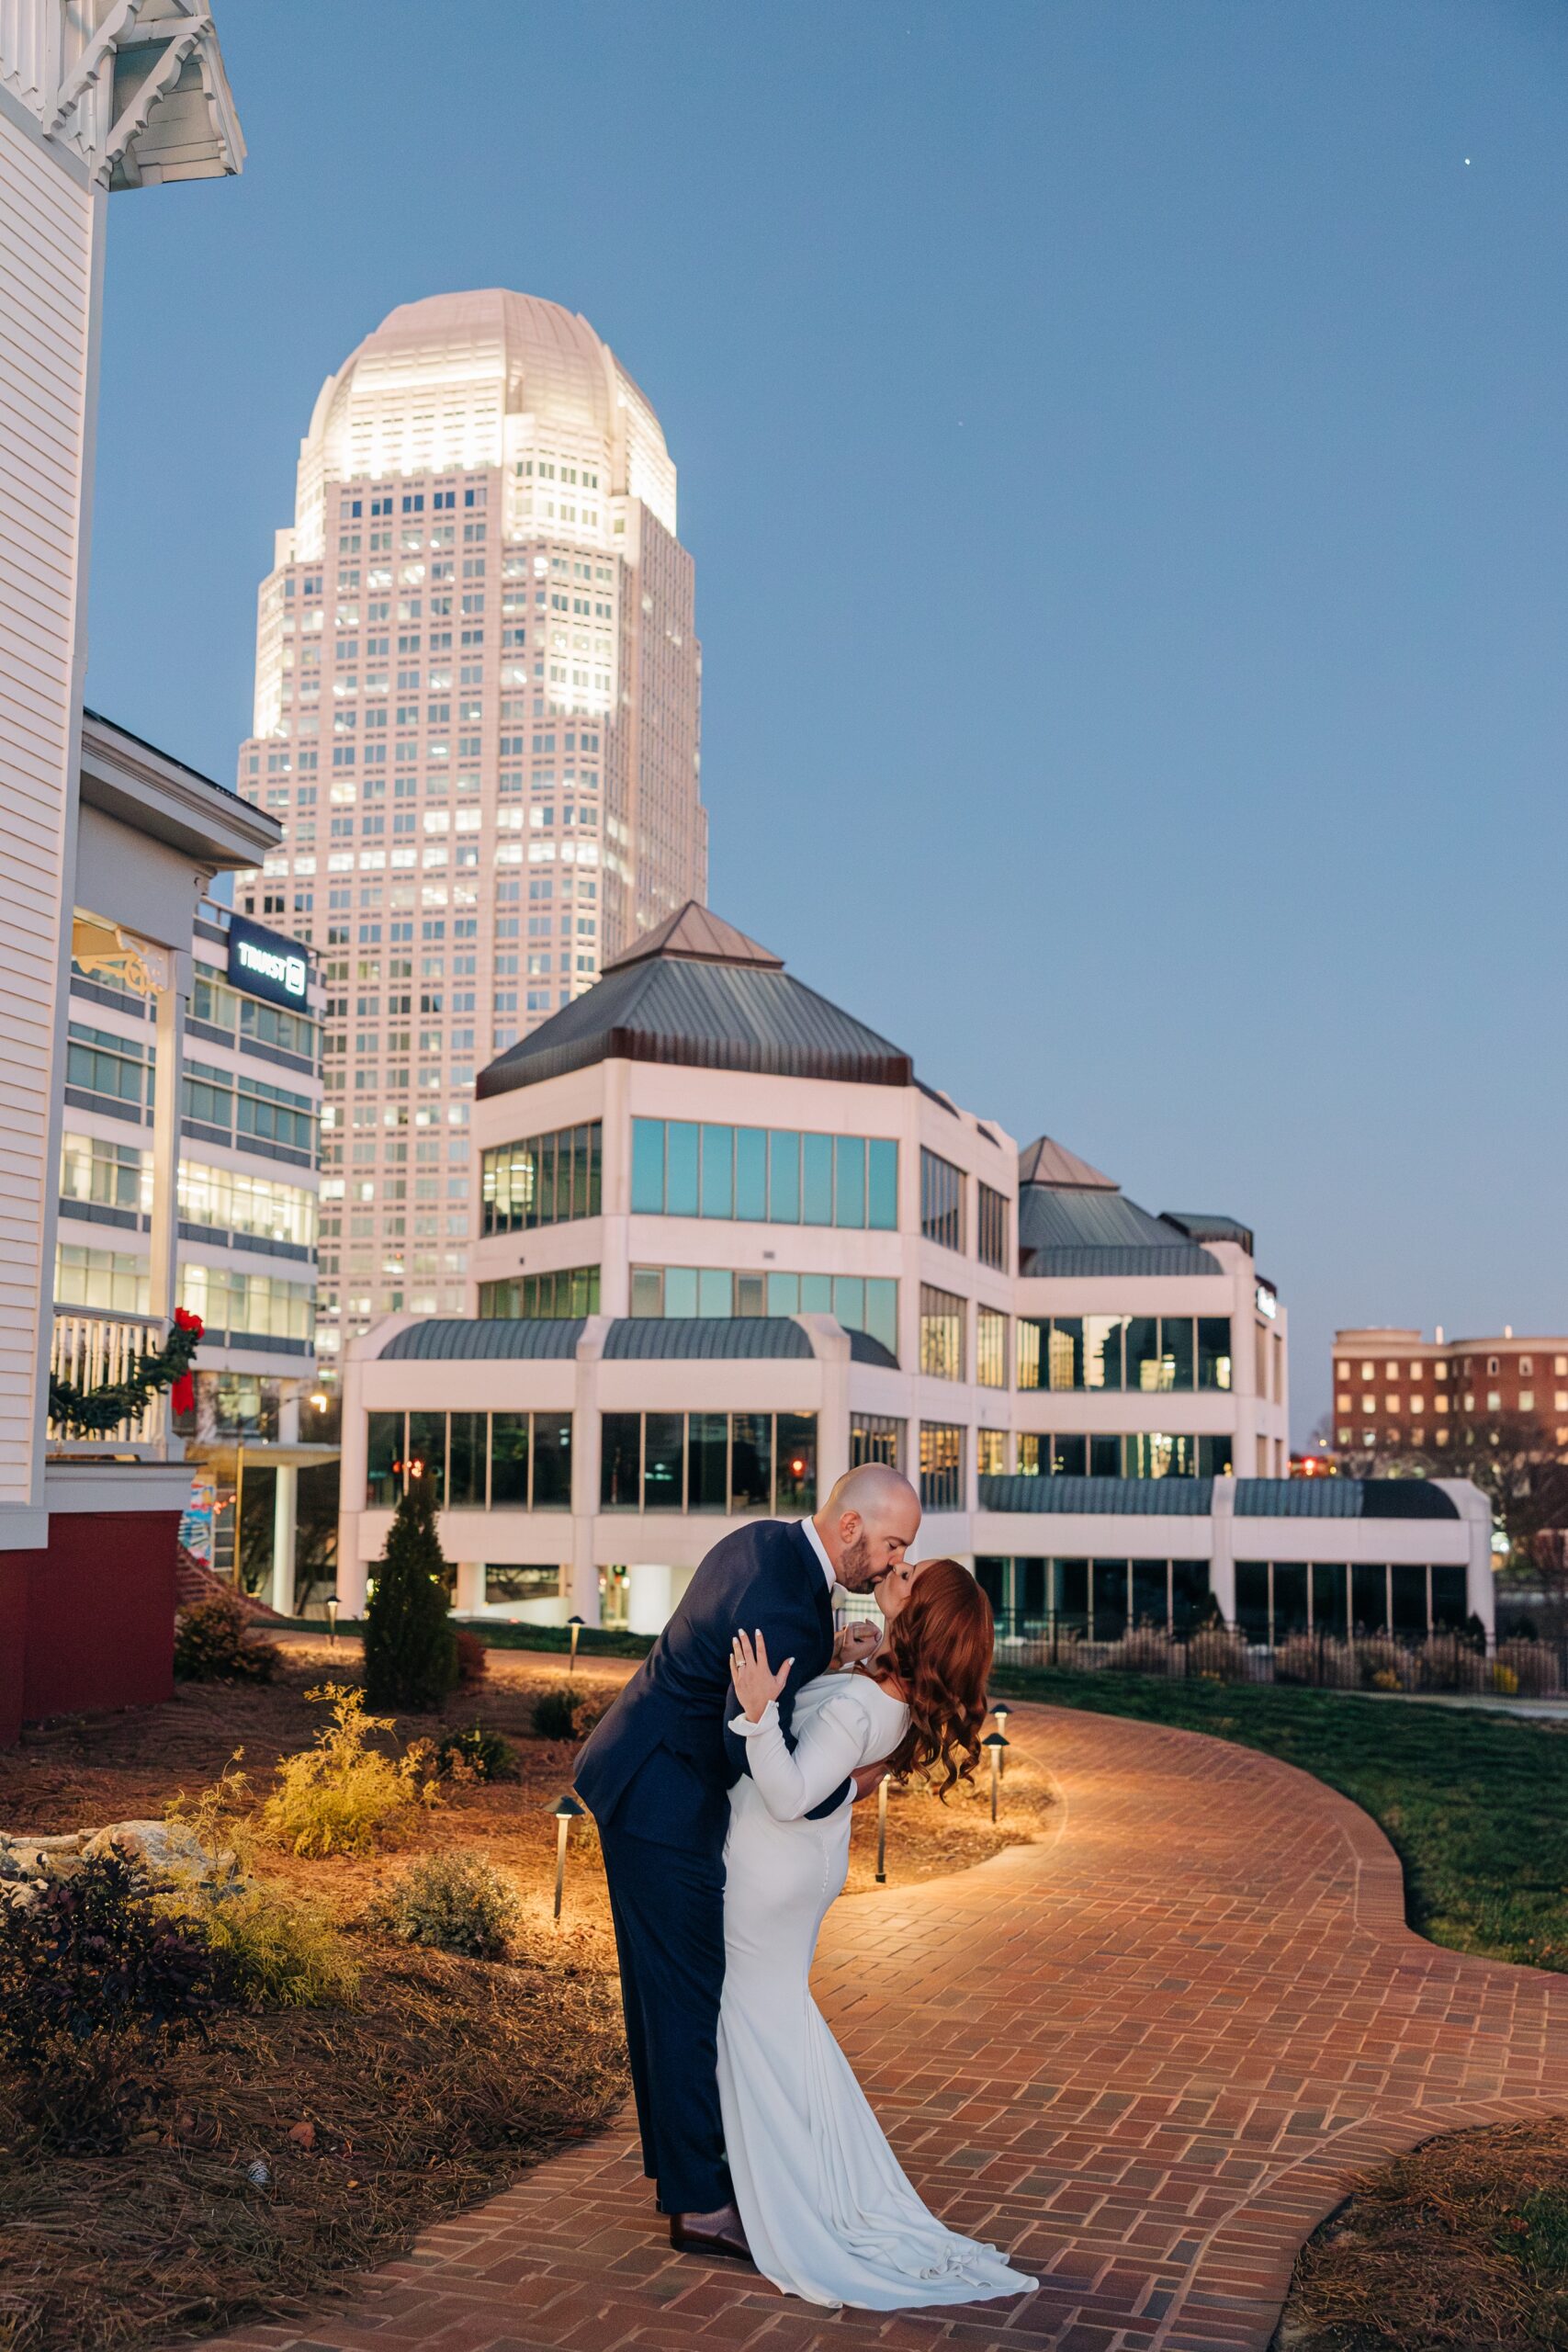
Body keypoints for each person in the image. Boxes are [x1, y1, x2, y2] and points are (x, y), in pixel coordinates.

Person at [574, 1461, 921, 2260]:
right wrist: (855, 1786)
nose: (895, 1563)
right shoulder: (785, 1602)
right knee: (687, 2001)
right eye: (891, 1543)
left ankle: (688, 2174)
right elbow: (765, 1761)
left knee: (668, 1995)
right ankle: (699, 2206)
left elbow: (739, 1674)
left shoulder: (766, 1544)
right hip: (661, 1800)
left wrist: (829, 1657)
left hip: (640, 1770)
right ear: (848, 1529)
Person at [718, 1557, 1036, 2308]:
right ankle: (809, 2176)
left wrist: (758, 1711)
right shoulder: (883, 1689)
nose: (894, 1569)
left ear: (917, 1612)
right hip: (796, 1873)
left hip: (773, 1869)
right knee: (774, 2027)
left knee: (754, 2027)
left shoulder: (865, 1707)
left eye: (909, 1574)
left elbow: (793, 1793)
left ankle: (798, 2194)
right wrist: (838, 1660)